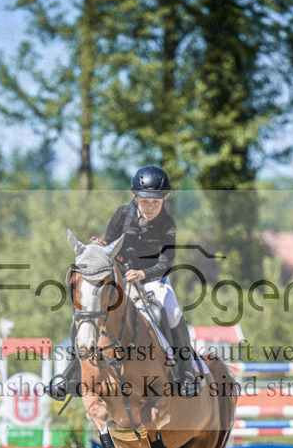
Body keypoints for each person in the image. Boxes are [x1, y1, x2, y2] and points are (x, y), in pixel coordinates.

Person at [46, 165, 201, 400]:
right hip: (120, 278)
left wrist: (143, 274)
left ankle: (186, 373)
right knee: (87, 312)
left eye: (156, 202)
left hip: (153, 279)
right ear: (135, 196)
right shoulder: (122, 214)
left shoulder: (168, 223)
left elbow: (167, 261)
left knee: (173, 312)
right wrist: (98, 245)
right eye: (145, 201)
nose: (150, 207)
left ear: (165, 199)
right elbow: (109, 243)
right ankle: (71, 375)